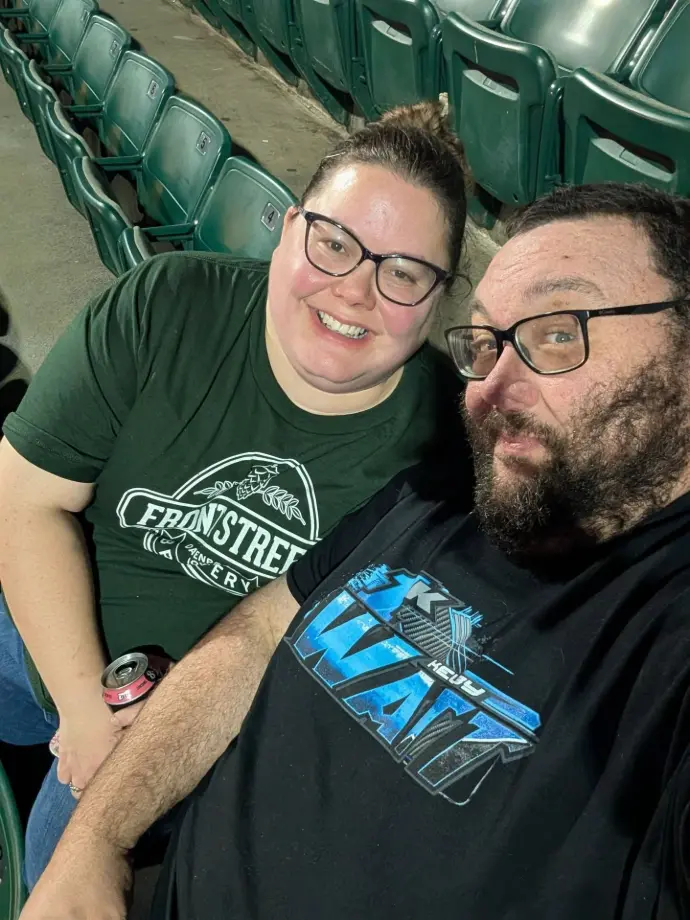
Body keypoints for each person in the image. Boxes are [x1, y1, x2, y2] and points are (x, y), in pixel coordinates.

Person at [19, 180, 690, 920]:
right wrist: (99, 840)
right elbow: (260, 632)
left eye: (558, 334)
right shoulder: (440, 489)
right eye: (487, 343)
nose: (492, 389)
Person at [0, 100, 471, 890]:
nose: (355, 290)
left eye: (402, 272)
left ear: (439, 298)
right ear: (288, 230)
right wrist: (82, 712)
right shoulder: (168, 304)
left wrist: (135, 756)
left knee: (59, 877)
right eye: (333, 243)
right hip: (48, 637)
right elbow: (23, 501)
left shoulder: (444, 446)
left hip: (202, 737)